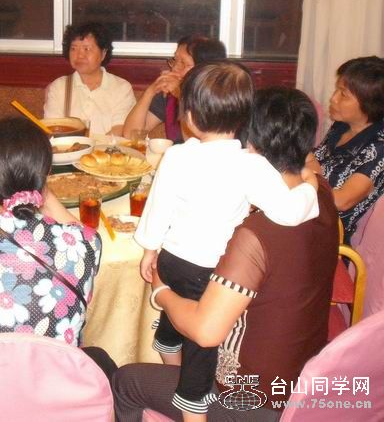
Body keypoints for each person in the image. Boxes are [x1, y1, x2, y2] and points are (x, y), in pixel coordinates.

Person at [113, 87, 340, 421]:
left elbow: (205, 332)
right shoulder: (321, 195)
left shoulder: (253, 235)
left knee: (125, 380)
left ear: (250, 143)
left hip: (252, 399)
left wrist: (160, 290)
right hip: (303, 376)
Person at [0, 117, 116, 378]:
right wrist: (41, 189)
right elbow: (84, 233)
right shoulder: (84, 245)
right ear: (45, 177)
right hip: (55, 389)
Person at [307, 56, 384, 243]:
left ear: (369, 104)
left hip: (326, 235)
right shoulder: (341, 126)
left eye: (343, 94)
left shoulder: (379, 147)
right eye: (336, 90)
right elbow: (315, 160)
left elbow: (342, 201)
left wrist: (307, 173)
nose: (333, 98)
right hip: (306, 214)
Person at [123, 36, 227, 142]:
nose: (175, 68)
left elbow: (194, 143)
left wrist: (181, 96)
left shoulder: (220, 100)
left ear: (204, 70)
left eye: (184, 64)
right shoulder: (168, 94)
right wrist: (150, 92)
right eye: (175, 60)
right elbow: (130, 135)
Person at [44, 22, 136, 136]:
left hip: (109, 147)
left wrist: (93, 146)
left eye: (86, 49)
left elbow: (120, 129)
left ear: (103, 53)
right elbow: (52, 130)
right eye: (73, 49)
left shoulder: (121, 88)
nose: (79, 55)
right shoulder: (59, 87)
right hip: (68, 147)